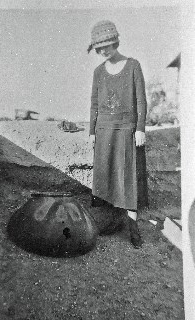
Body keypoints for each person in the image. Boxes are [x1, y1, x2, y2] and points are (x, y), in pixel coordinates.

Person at [88, 20, 149, 249]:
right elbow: (94, 103)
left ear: (115, 42)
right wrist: (92, 131)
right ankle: (105, 224)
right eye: (99, 48)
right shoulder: (98, 72)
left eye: (106, 47)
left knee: (128, 179)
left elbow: (141, 100)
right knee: (104, 177)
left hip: (126, 131)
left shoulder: (133, 65)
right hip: (104, 131)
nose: (103, 52)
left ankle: (133, 229)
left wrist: (140, 128)